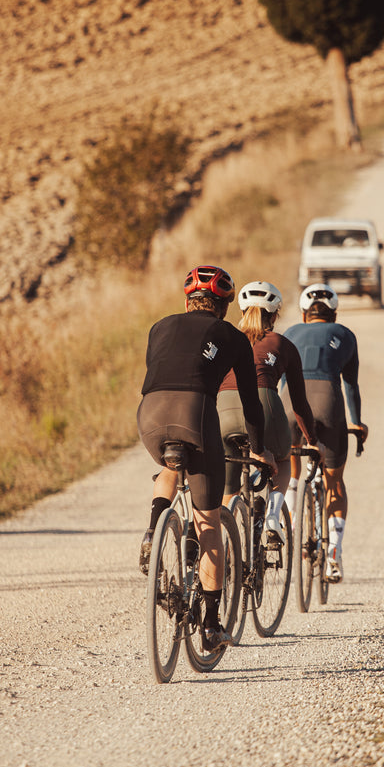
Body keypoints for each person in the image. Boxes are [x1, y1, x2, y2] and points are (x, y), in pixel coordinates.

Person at [136, 265, 272, 652]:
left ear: (187, 302)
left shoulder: (159, 326)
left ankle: (152, 528)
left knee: (170, 463)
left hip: (150, 413)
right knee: (209, 522)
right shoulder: (231, 336)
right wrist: (259, 451)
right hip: (195, 412)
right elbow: (250, 403)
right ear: (225, 306)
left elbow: (161, 371)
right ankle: (211, 625)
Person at [217, 281, 318, 538]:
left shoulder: (226, 339)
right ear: (274, 315)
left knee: (228, 489)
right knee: (282, 461)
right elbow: (299, 404)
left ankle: (228, 542)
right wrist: (312, 440)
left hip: (224, 409)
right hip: (265, 406)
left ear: (241, 312)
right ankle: (273, 515)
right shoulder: (283, 344)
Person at [281, 283, 367, 583]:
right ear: (334, 315)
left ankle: (288, 528)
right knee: (335, 480)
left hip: (292, 402)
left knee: (290, 470)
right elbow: (351, 386)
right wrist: (356, 422)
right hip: (328, 401)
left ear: (304, 315)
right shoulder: (345, 335)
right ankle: (334, 552)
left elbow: (280, 382)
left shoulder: (290, 332)